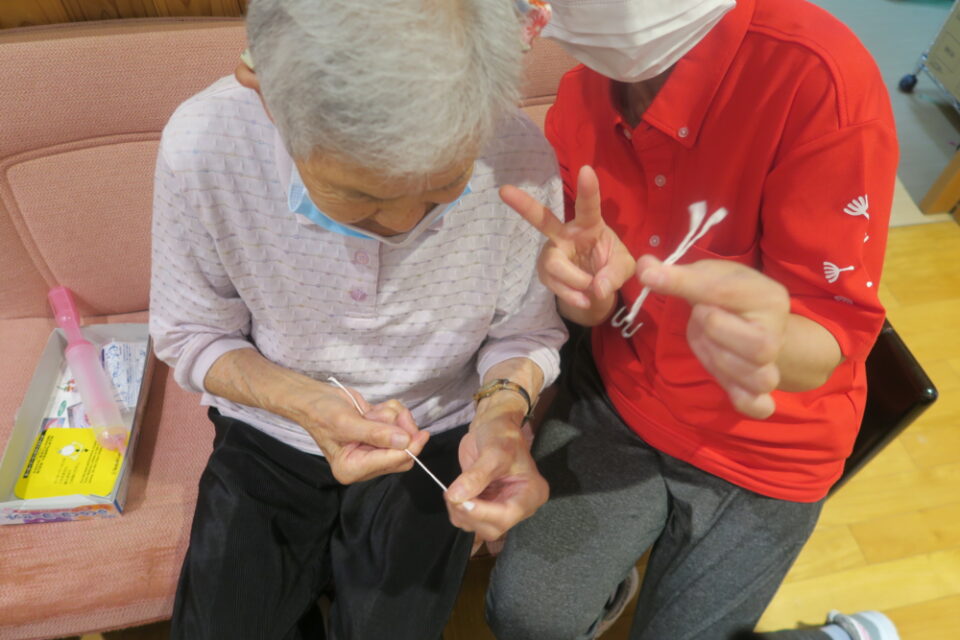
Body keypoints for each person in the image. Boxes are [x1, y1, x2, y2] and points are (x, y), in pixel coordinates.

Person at [148, 1, 567, 638]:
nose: (401, 225)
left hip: (438, 427)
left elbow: (523, 333)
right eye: (359, 195)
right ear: (266, 95)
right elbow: (192, 332)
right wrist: (305, 403)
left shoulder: (515, 156)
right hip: (271, 426)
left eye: (442, 187)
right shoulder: (206, 145)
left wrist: (501, 417)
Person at [485, 0, 898, 639]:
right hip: (620, 399)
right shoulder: (581, 95)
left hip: (766, 449)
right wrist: (585, 297)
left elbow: (832, 334)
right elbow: (588, 294)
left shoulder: (818, 77)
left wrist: (771, 339)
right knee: (524, 617)